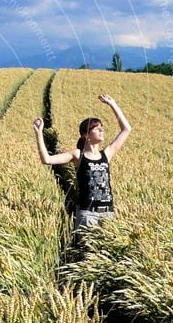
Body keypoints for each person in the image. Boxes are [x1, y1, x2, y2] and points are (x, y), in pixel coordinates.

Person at [32, 94, 131, 234]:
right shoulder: (78, 155)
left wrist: (112, 104)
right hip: (87, 214)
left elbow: (126, 129)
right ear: (86, 135)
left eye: (102, 127)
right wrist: (38, 133)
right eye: (97, 128)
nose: (102, 130)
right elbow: (47, 160)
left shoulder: (106, 154)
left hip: (108, 213)